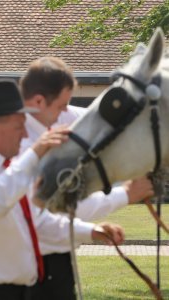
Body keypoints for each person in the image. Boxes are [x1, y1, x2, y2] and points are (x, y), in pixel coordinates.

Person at [0, 78, 125, 300]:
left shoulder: (9, 170)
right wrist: (35, 154)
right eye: (19, 126)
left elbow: (37, 222)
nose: (26, 135)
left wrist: (91, 231)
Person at [19, 56, 155, 300]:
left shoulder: (51, 119)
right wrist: (125, 195)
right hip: (32, 268)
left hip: (54, 265)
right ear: (39, 101)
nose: (65, 113)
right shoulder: (21, 146)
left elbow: (103, 122)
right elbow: (57, 207)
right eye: (61, 106)